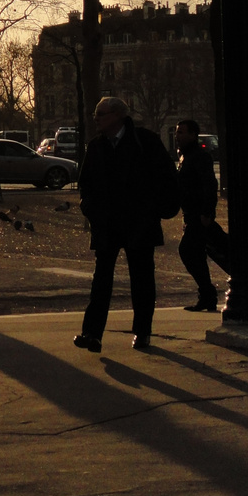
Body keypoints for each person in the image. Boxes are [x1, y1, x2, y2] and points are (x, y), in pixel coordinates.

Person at [74, 97, 179, 353]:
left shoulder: (145, 141)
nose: (96, 118)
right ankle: (92, 333)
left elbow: (166, 177)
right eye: (95, 113)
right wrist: (90, 209)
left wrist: (156, 209)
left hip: (139, 222)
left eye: (101, 113)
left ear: (118, 116)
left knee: (141, 280)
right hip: (108, 223)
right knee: (101, 281)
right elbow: (85, 184)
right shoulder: (97, 146)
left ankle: (142, 332)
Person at [175, 119, 227, 311]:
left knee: (189, 251)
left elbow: (209, 185)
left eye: (181, 133)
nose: (177, 136)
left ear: (193, 135)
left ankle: (208, 294)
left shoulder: (198, 156)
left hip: (198, 214)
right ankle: (207, 295)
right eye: (177, 132)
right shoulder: (186, 156)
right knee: (202, 250)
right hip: (192, 214)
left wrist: (207, 211)